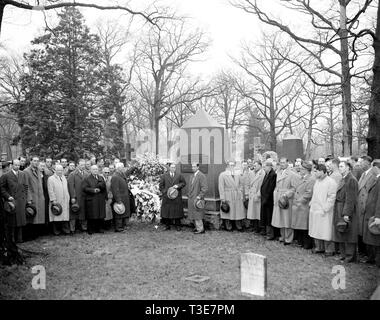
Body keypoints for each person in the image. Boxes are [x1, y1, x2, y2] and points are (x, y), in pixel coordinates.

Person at [332, 161, 359, 263]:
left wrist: (347, 213)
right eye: (339, 166)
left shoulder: (351, 180)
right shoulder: (343, 178)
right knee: (341, 230)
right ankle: (343, 255)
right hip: (340, 207)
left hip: (346, 209)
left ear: (348, 168)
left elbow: (351, 199)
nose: (340, 168)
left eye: (342, 166)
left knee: (349, 233)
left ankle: (350, 256)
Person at [309, 164, 337, 256]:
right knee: (316, 230)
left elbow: (332, 197)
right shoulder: (317, 181)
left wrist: (326, 208)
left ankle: (329, 250)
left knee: (326, 231)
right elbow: (315, 194)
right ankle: (319, 247)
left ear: (321, 171)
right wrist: (311, 203)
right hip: (315, 208)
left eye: (316, 171)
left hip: (325, 211)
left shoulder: (331, 182)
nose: (315, 173)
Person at [271, 157, 299, 245]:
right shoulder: (278, 172)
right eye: (281, 163)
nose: (282, 164)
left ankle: (288, 238)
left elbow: (294, 188)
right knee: (280, 218)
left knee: (287, 219)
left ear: (287, 163)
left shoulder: (292, 174)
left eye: (284, 162)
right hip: (278, 196)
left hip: (286, 199)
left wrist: (286, 194)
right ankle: (282, 236)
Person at [0, 159, 28, 243]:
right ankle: (11, 240)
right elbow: (1, 188)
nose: (17, 166)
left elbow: (26, 186)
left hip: (21, 200)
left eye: (18, 165)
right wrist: (8, 197)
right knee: (12, 222)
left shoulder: (23, 174)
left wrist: (25, 196)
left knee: (20, 221)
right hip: (12, 201)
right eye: (15, 165)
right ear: (12, 165)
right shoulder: (6, 175)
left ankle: (20, 239)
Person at [291, 161, 316, 249]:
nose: (300, 170)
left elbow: (309, 193)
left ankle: (307, 243)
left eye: (302, 169)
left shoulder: (311, 179)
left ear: (306, 170)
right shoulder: (301, 178)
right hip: (298, 204)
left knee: (304, 226)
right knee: (299, 224)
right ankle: (300, 241)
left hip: (303, 205)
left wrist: (300, 201)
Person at [357, 157, 378, 259]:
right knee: (361, 231)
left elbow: (368, 193)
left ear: (367, 163)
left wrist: (364, 206)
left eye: (361, 162)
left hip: (365, 208)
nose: (359, 164)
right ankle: (363, 253)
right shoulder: (363, 174)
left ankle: (368, 254)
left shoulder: (373, 175)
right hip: (360, 207)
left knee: (366, 232)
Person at [362, 160, 380, 267]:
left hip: (374, 215)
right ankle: (373, 258)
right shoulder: (376, 179)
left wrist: (378, 216)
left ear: (375, 167)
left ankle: (376, 260)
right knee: (372, 239)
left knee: (376, 239)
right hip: (371, 213)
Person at [219, 161, 245, 231]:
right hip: (228, 194)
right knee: (228, 210)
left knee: (238, 211)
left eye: (233, 165)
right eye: (230, 165)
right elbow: (221, 187)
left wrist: (240, 192)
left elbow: (241, 184)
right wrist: (222, 198)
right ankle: (228, 226)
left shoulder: (237, 174)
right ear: (227, 166)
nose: (232, 167)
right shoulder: (222, 175)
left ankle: (238, 226)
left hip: (237, 194)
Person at [159, 162, 186, 231]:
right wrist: (165, 192)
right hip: (167, 197)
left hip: (176, 196)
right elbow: (161, 186)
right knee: (167, 211)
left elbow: (183, 183)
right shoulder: (164, 176)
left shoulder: (179, 175)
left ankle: (178, 225)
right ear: (169, 168)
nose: (173, 168)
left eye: (174, 167)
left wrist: (178, 186)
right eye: (171, 167)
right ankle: (167, 225)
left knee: (177, 211)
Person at [23, 156, 46, 239]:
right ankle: (29, 235)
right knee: (31, 215)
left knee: (39, 216)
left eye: (37, 161)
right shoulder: (26, 171)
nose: (36, 162)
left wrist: (42, 196)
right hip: (32, 197)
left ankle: (37, 233)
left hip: (40, 197)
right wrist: (29, 198)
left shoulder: (39, 170)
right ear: (31, 161)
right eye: (34, 161)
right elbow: (26, 186)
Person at [82, 165, 107, 234]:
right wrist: (93, 190)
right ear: (90, 170)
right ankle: (91, 230)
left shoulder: (101, 177)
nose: (95, 170)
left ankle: (100, 229)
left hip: (100, 199)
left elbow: (104, 187)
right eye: (93, 169)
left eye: (96, 169)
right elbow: (84, 188)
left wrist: (105, 196)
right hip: (92, 199)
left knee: (100, 215)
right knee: (92, 215)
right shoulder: (87, 178)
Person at [47, 164, 70, 235]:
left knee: (64, 216)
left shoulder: (64, 178)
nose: (60, 172)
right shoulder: (51, 178)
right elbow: (50, 190)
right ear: (55, 170)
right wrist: (53, 200)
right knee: (56, 215)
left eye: (61, 170)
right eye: (58, 170)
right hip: (56, 200)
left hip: (64, 199)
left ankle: (65, 230)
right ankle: (56, 231)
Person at [67, 159, 87, 233]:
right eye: (81, 165)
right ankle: (72, 229)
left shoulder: (86, 174)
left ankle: (84, 227)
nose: (83, 166)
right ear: (77, 165)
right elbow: (71, 186)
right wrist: (73, 196)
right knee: (74, 212)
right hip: (76, 197)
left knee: (83, 212)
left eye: (84, 165)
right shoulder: (72, 174)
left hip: (84, 196)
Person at [187, 163, 208, 234]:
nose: (193, 168)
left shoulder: (201, 175)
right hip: (191, 198)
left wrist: (199, 196)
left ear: (198, 167)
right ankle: (197, 227)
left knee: (198, 214)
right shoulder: (192, 176)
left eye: (194, 166)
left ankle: (201, 229)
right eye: (192, 166)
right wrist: (189, 194)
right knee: (193, 214)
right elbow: (190, 187)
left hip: (197, 198)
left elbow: (204, 188)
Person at [110, 163, 131, 232]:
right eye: (122, 167)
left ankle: (123, 226)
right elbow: (115, 189)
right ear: (118, 168)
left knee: (123, 213)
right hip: (120, 197)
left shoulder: (121, 175)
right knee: (119, 212)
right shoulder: (115, 176)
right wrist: (118, 200)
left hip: (124, 197)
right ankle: (118, 228)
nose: (123, 168)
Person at [246, 160, 265, 233]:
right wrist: (247, 194)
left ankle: (260, 228)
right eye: (254, 165)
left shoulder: (262, 173)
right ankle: (254, 227)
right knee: (253, 212)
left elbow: (262, 186)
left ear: (260, 165)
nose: (254, 167)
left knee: (258, 213)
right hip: (251, 194)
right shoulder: (251, 173)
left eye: (256, 165)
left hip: (258, 195)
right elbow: (247, 184)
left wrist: (258, 194)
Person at [260, 160, 277, 240]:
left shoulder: (273, 175)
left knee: (269, 217)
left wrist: (266, 199)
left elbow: (271, 188)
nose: (264, 168)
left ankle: (270, 234)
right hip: (265, 199)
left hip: (268, 200)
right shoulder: (267, 174)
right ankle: (267, 232)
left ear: (269, 167)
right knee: (266, 217)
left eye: (265, 166)